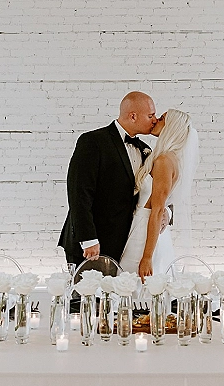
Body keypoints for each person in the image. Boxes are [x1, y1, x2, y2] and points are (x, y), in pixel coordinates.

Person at [58, 92, 157, 267]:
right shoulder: (93, 141)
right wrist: (88, 239)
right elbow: (79, 192)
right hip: (91, 243)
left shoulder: (145, 150)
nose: (155, 120)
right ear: (133, 116)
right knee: (85, 293)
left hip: (125, 243)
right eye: (150, 115)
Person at [120, 109, 198, 281]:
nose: (156, 120)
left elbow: (157, 210)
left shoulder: (164, 161)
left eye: (161, 118)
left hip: (145, 230)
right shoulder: (167, 158)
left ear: (171, 127)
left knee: (133, 283)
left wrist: (147, 257)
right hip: (142, 225)